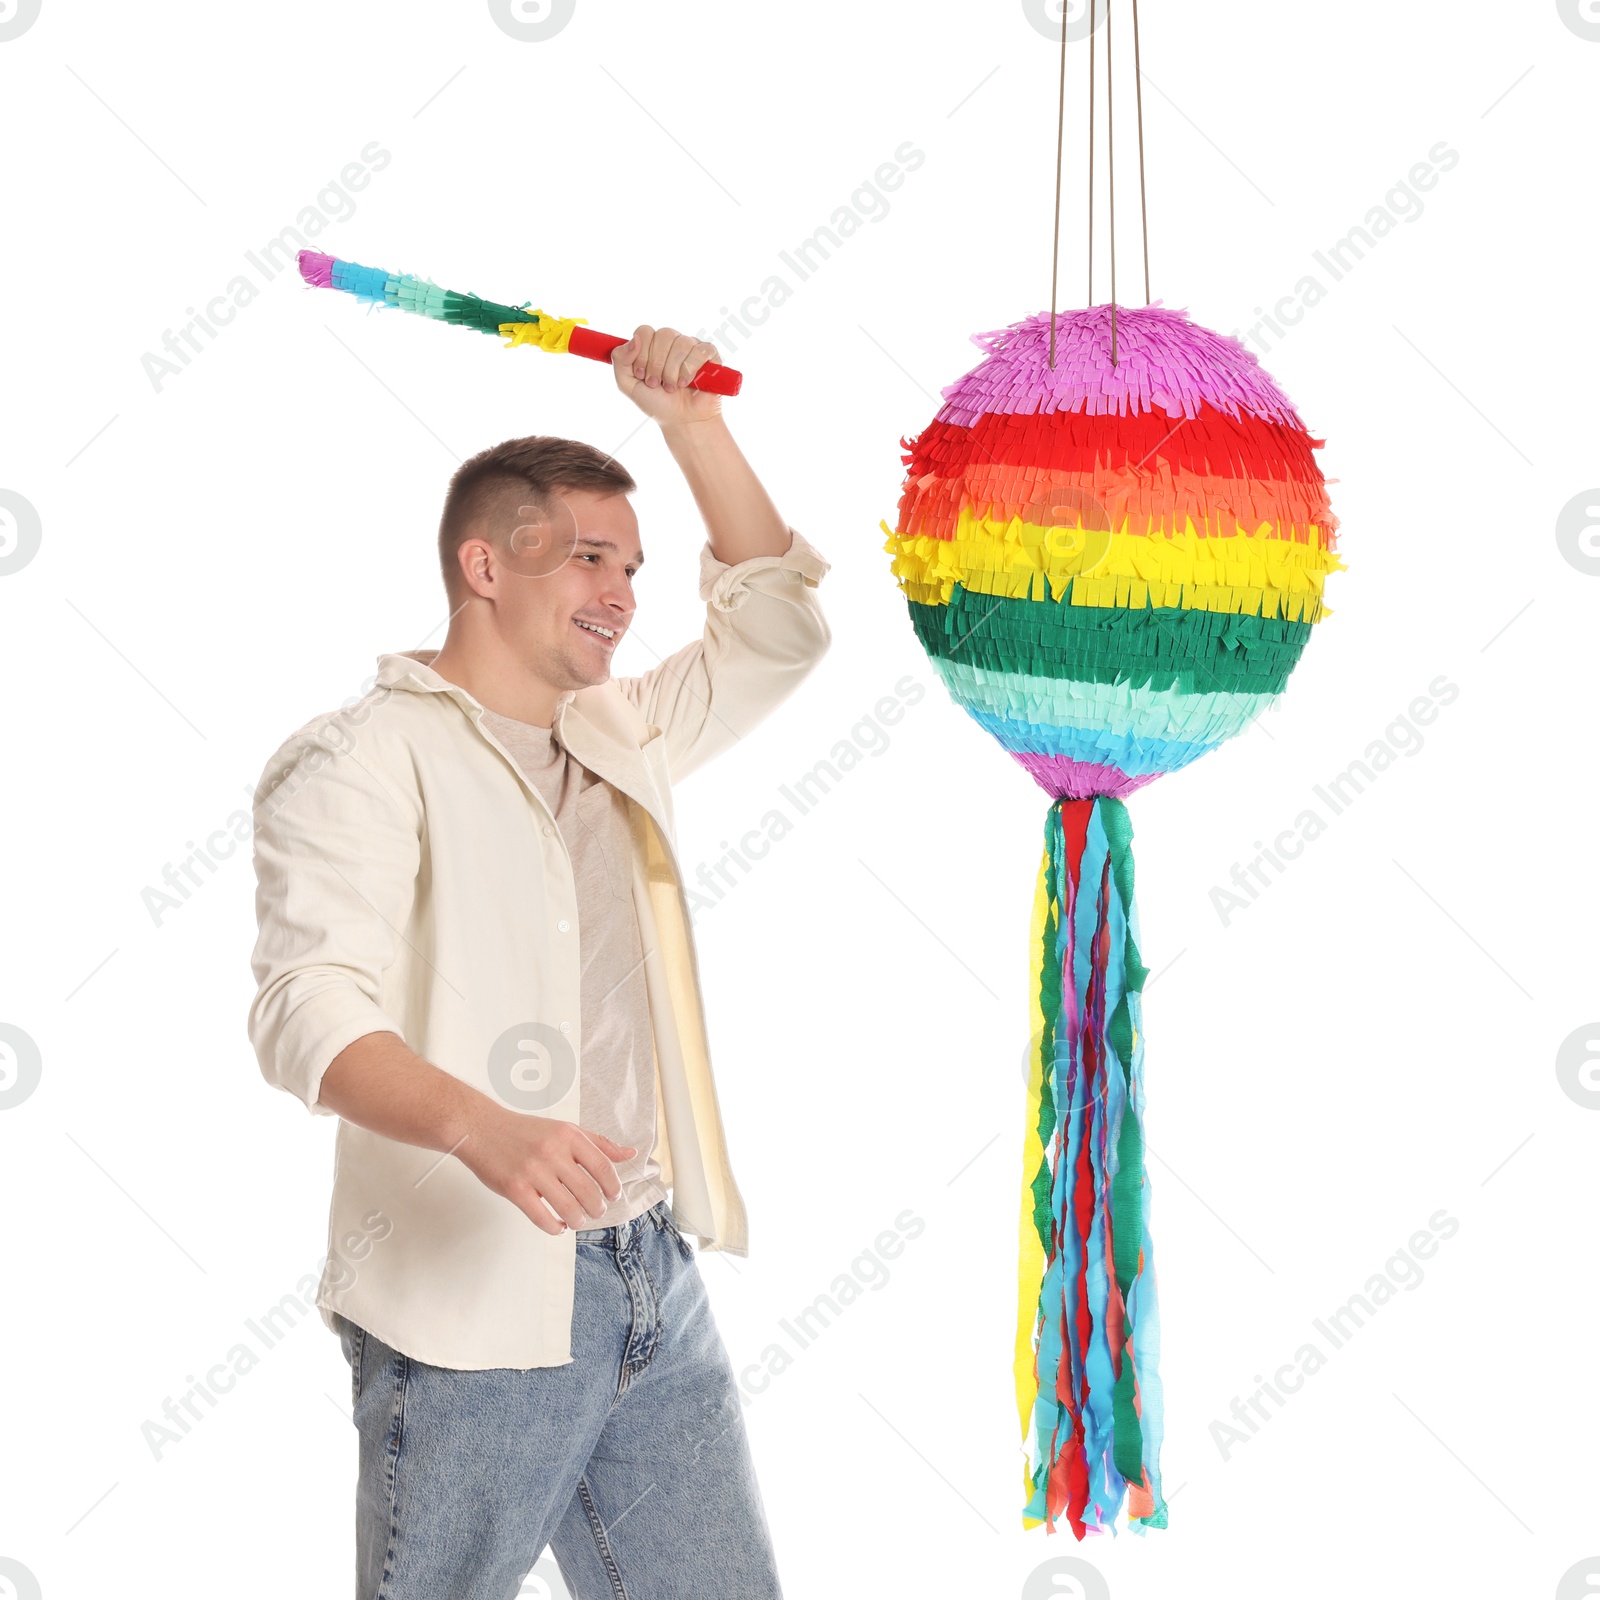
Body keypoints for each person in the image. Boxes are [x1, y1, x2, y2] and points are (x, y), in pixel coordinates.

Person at [246, 325, 830, 1599]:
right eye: (586, 557)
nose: (623, 590)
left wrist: (688, 425)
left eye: (629, 563)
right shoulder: (360, 759)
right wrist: (481, 1127)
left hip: (649, 1274)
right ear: (482, 565)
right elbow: (303, 1013)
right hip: (467, 1305)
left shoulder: (621, 731)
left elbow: (779, 630)